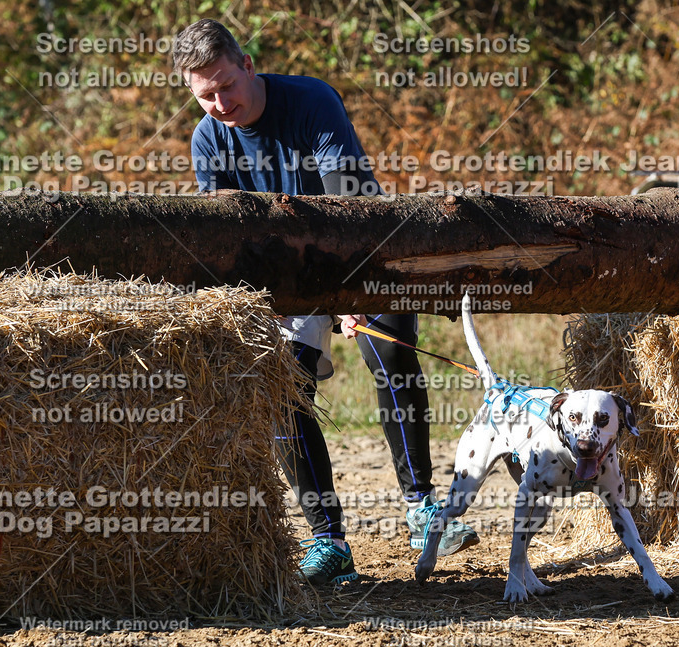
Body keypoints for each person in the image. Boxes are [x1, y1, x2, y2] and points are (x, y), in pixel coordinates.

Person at [171, 19, 478, 586]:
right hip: (282, 274)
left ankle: (421, 507)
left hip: (361, 245)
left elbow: (346, 202)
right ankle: (328, 539)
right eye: (205, 95)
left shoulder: (313, 101)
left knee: (391, 358)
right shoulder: (207, 139)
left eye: (225, 86)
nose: (219, 103)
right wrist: (271, 302)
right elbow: (227, 239)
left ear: (247, 65)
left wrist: (346, 294)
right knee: (286, 390)